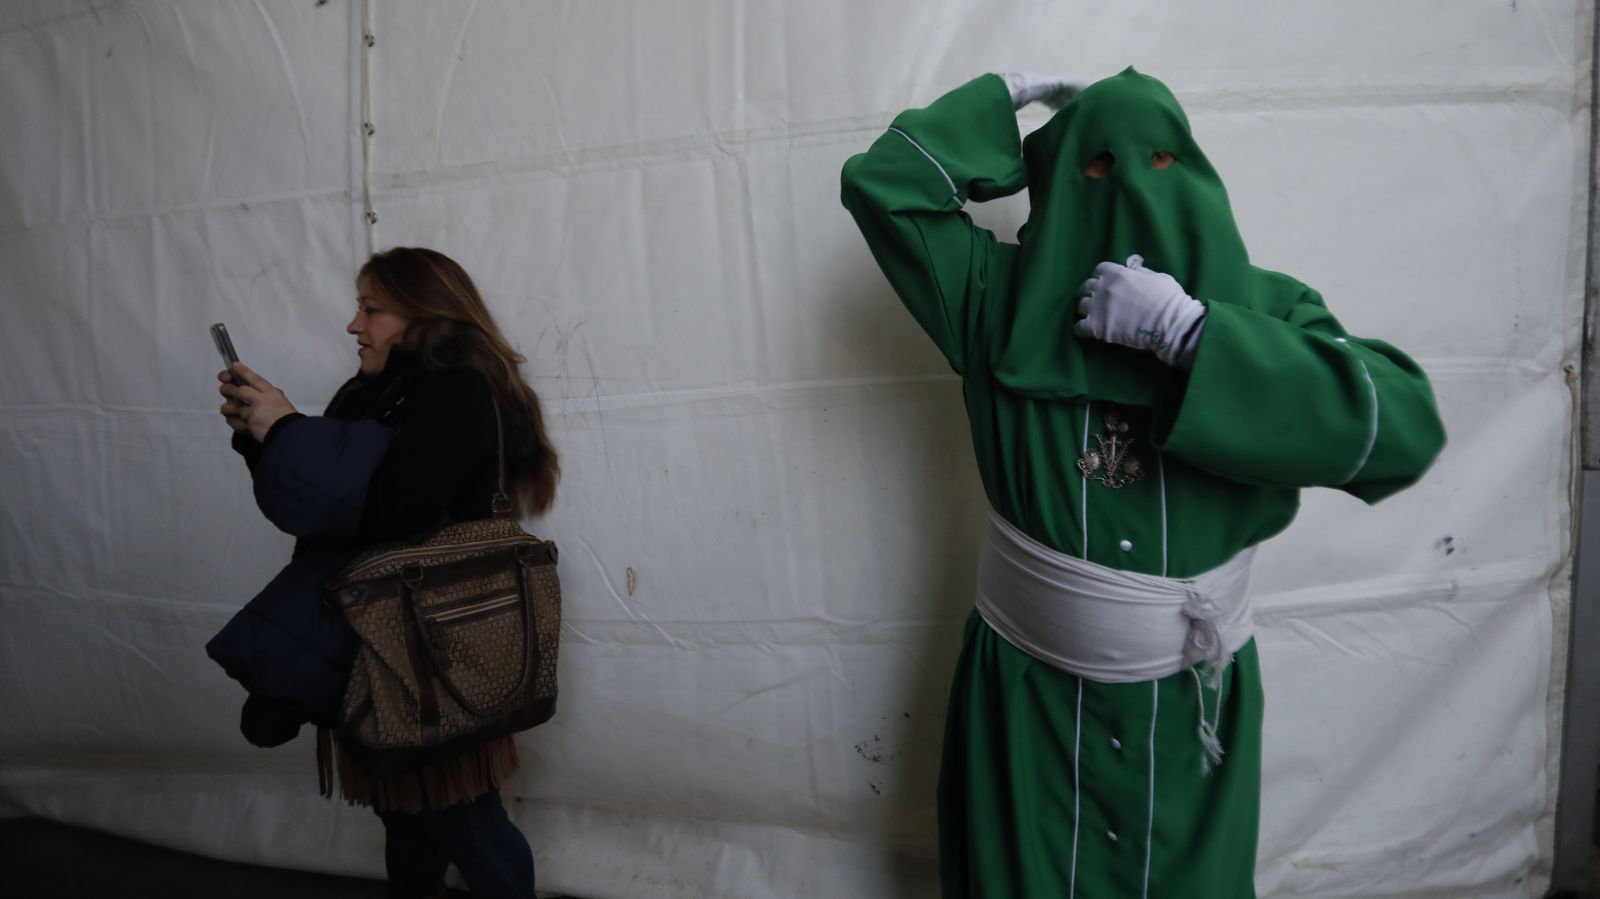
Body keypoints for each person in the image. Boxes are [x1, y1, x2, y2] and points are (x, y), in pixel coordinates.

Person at [840, 69, 1446, 897]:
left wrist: (1194, 336)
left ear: (1195, 170)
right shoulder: (994, 301)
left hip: (1189, 722)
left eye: (1159, 159)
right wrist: (1004, 100)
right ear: (1056, 176)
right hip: (1029, 710)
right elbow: (883, 187)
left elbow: (1403, 427)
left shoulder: (1267, 311)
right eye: (1093, 167)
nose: (1128, 186)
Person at [207, 246, 560, 899]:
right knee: (408, 821)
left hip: (437, 660)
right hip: (381, 649)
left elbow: (391, 506)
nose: (353, 324)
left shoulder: (456, 392)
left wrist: (288, 427)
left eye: (371, 308)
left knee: (469, 825)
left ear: (424, 315)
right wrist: (262, 438)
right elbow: (322, 509)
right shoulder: (371, 392)